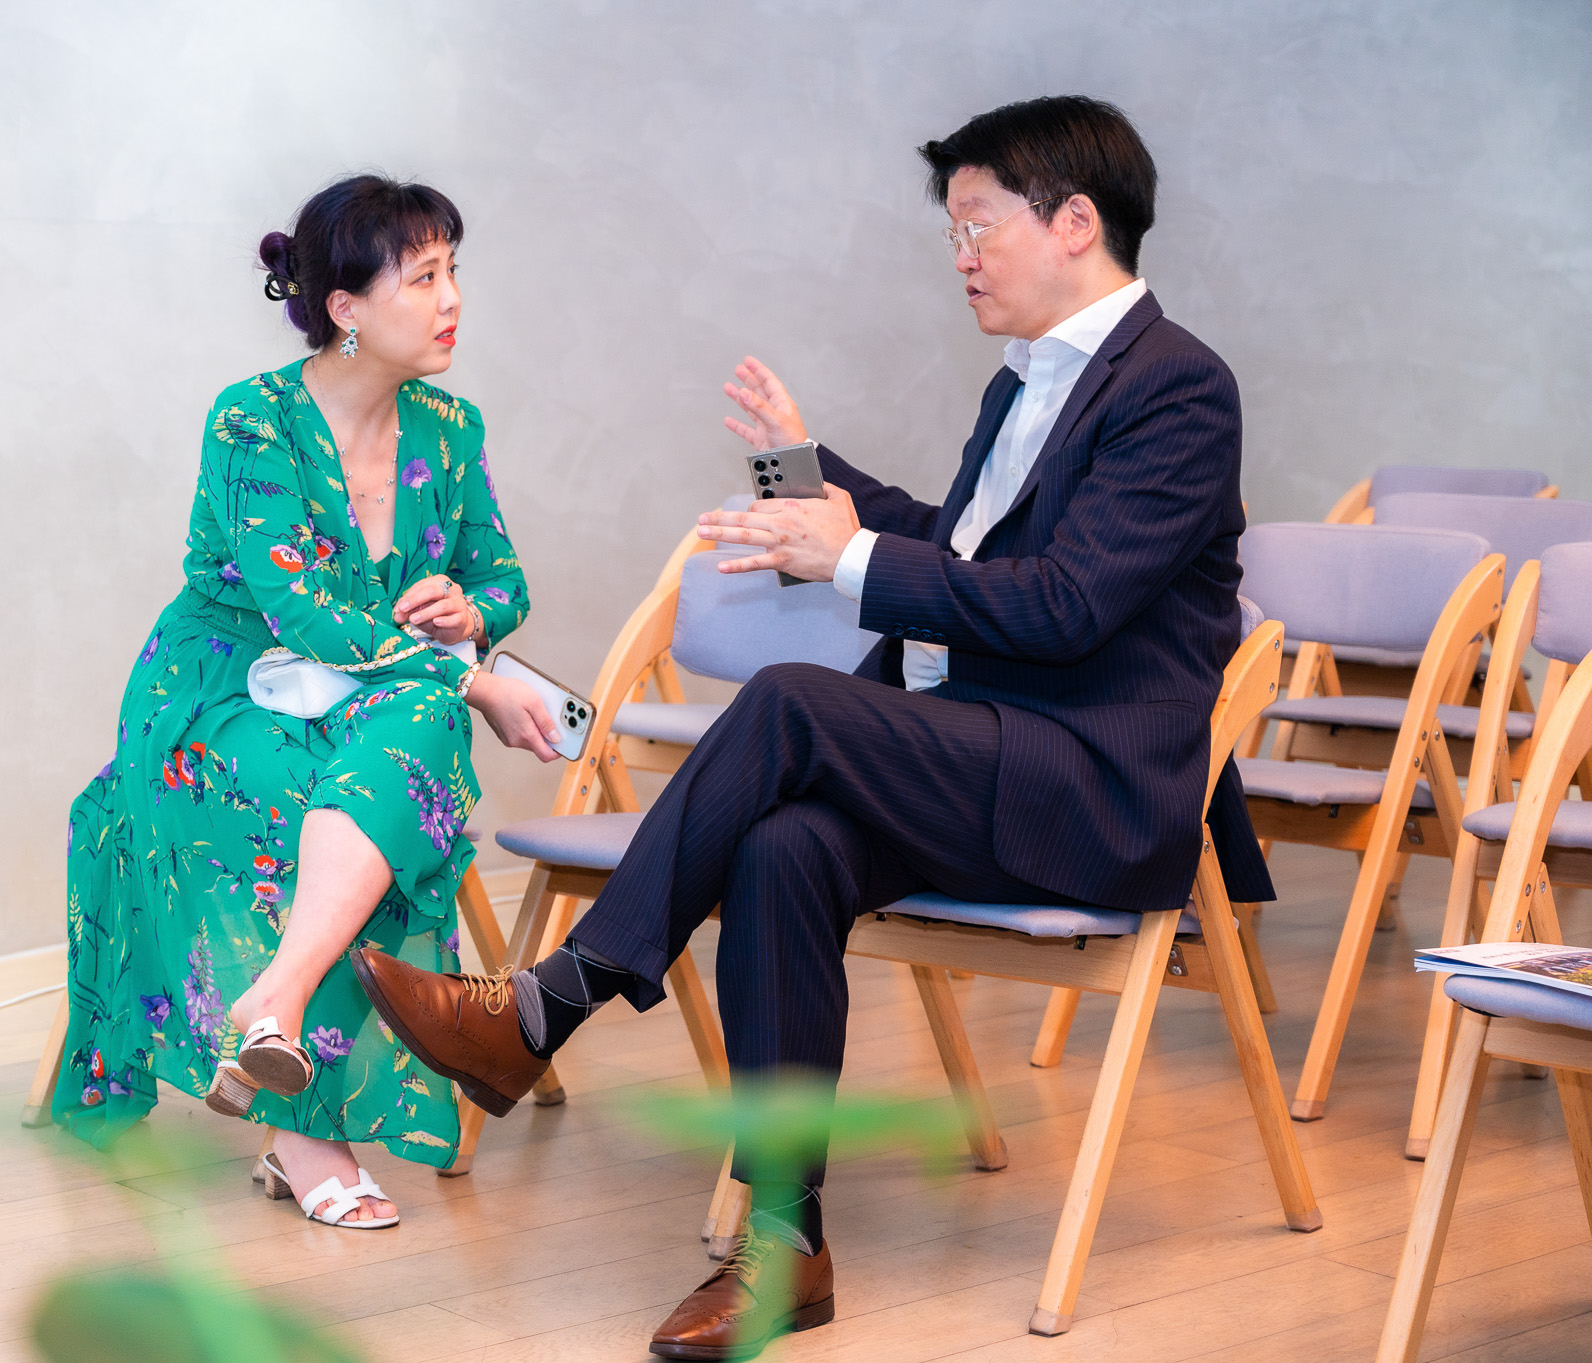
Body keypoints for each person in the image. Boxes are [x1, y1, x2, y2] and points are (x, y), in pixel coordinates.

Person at [350, 96, 1275, 1354]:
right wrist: (799, 471)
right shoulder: (1021, 385)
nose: (958, 254)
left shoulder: (1177, 388)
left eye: (976, 225)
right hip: (976, 755)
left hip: (1087, 787)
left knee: (790, 697)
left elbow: (1063, 606)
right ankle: (783, 1244)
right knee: (785, 849)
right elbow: (958, 550)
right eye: (950, 231)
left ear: (1073, 222)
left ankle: (547, 1004)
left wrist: (843, 557)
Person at [54, 174, 564, 1230]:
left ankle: (274, 1001)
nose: (451, 299)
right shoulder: (251, 420)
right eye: (422, 277)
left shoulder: (450, 427)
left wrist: (469, 608)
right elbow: (302, 607)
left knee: (414, 733)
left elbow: (504, 580)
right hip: (220, 690)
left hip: (382, 688)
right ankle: (306, 1136)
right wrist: (474, 678)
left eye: (453, 271)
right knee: (304, 776)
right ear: (345, 307)